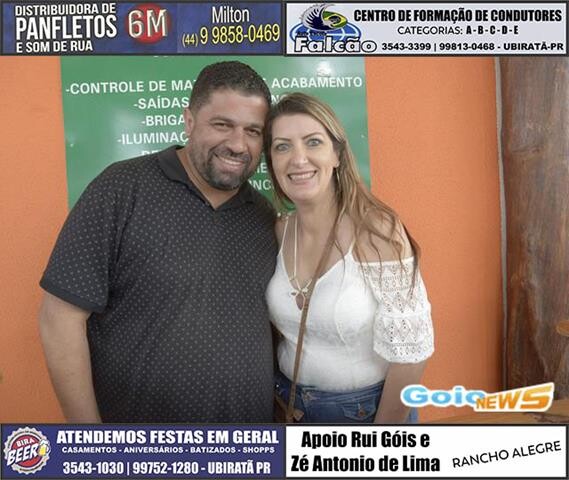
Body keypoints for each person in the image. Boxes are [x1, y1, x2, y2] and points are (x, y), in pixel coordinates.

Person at [38, 61, 277, 423]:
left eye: (253, 131)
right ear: (189, 120)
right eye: (222, 125)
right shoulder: (121, 189)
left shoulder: (263, 216)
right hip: (140, 441)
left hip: (248, 442)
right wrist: (90, 439)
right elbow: (60, 317)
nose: (237, 144)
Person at [264, 93, 434, 423]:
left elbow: (411, 354)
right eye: (282, 146)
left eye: (313, 142)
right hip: (289, 407)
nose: (298, 158)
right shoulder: (280, 232)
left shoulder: (375, 230)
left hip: (363, 413)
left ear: (337, 155)